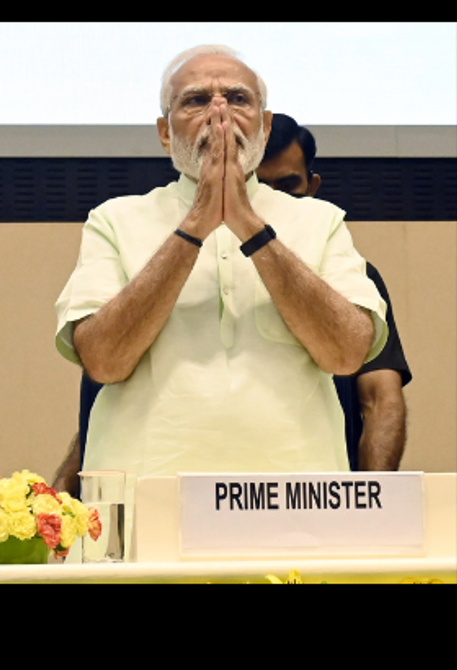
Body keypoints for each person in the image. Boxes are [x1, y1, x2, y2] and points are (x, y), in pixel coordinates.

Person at [53, 45, 387, 515]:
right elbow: (104, 361)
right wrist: (194, 227)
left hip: (298, 502)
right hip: (148, 497)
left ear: (265, 126)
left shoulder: (321, 221)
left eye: (237, 98)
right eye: (195, 100)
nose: (219, 112)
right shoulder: (114, 220)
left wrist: (250, 226)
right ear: (166, 133)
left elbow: (347, 353)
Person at [257, 114, 411, 471]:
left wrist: (375, 498)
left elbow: (381, 398)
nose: (276, 204)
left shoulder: (355, 276)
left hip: (325, 492)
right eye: (261, 190)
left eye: (288, 188)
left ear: (312, 187)